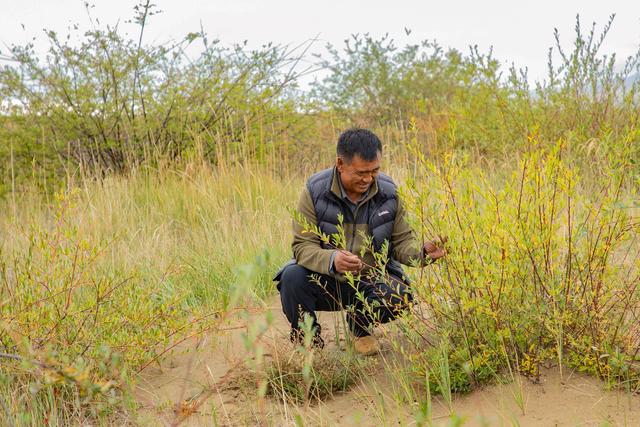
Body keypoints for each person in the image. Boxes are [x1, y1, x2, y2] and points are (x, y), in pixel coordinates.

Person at [274, 128, 445, 355]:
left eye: (375, 171)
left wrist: (421, 254)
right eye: (361, 172)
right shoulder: (314, 191)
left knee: (401, 294)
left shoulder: (389, 193)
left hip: (371, 282)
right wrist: (332, 259)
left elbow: (402, 241)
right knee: (291, 277)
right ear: (340, 164)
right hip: (327, 280)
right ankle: (308, 345)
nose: (368, 179)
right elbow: (302, 247)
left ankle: (360, 329)